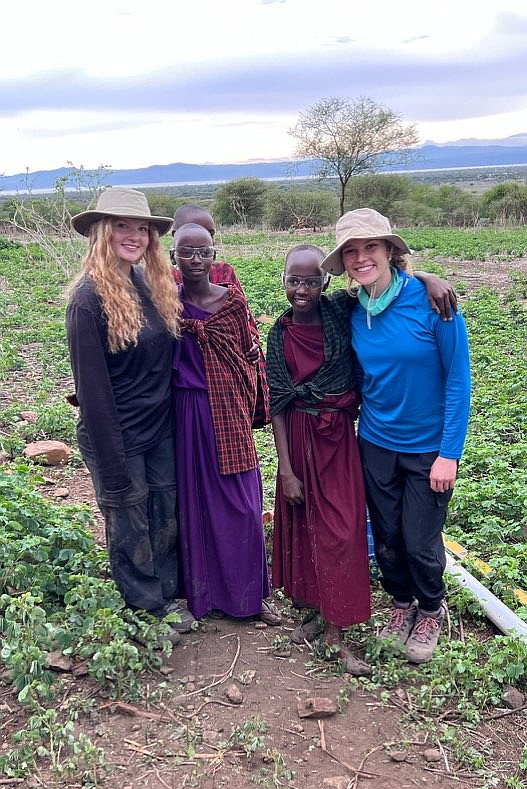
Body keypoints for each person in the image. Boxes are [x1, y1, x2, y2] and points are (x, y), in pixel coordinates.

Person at [321, 208, 471, 664]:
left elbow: (458, 380)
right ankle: (401, 603)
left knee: (420, 539)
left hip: (428, 449)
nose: (362, 257)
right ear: (344, 262)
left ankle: (430, 609)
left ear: (390, 251)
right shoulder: (352, 308)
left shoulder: (434, 304)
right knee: (385, 535)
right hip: (376, 442)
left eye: (371, 247)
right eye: (351, 251)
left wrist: (450, 453)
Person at [66, 187, 193, 643]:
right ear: (102, 231)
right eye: (123, 226)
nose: (135, 236)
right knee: (129, 521)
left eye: (142, 228)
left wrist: (421, 279)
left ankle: (164, 596)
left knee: (164, 514)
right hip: (115, 434)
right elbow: (93, 394)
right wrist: (113, 465)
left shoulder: (147, 281)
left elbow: (212, 274)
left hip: (158, 428)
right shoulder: (87, 299)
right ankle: (144, 610)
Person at [266, 244, 372, 676]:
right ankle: (314, 614)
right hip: (297, 439)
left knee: (342, 529)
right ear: (284, 281)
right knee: (302, 522)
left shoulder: (341, 313)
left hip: (337, 441)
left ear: (326, 282)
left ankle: (337, 630)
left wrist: (428, 278)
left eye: (311, 280)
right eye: (294, 280)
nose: (302, 288)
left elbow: (382, 285)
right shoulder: (280, 333)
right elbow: (277, 403)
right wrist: (286, 469)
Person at [171, 222, 280, 625]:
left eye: (204, 252)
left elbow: (247, 360)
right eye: (187, 252)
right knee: (196, 501)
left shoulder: (232, 303)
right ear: (173, 257)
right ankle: (203, 596)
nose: (196, 260)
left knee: (242, 503)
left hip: (227, 411)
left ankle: (250, 596)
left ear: (216, 256)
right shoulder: (166, 303)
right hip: (186, 411)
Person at [170, 204, 269, 425]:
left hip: (227, 375)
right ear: (175, 236)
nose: (197, 256)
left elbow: (245, 321)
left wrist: (251, 344)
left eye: (210, 234)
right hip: (188, 379)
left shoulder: (223, 272)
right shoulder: (164, 280)